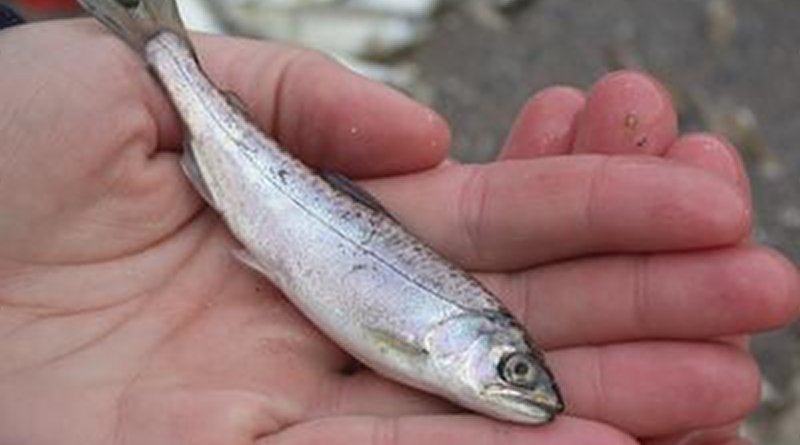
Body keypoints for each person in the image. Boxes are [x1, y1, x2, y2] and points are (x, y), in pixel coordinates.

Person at [0, 12, 797, 445]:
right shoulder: (421, 345)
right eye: (515, 370)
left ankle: (162, 51)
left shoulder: (436, 354)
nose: (522, 387)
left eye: (519, 373)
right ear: (479, 339)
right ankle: (162, 48)